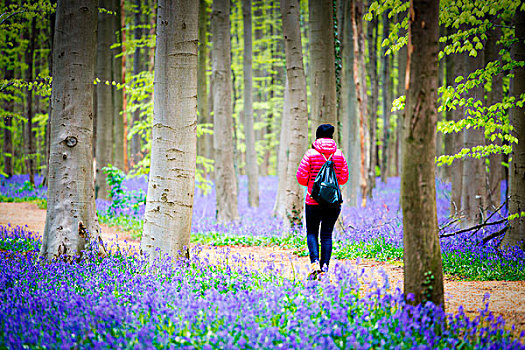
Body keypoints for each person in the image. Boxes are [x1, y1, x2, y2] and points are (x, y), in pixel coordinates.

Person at [296, 124, 349, 279]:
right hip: (333, 202)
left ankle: (314, 264)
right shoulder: (339, 155)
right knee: (326, 234)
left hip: (313, 201)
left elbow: (301, 177)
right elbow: (344, 178)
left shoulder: (310, 154)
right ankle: (325, 268)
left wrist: (313, 184)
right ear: (331, 137)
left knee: (312, 232)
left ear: (317, 136)